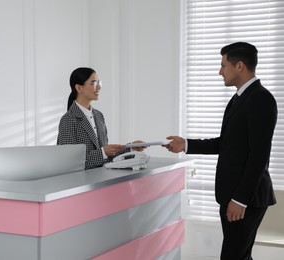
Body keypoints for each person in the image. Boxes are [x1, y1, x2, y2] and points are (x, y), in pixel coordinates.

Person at [164, 42, 277, 260]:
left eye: (223, 65)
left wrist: (240, 199)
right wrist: (186, 144)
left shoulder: (261, 99)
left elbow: (259, 155)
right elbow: (227, 143)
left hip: (246, 199)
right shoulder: (239, 99)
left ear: (240, 66)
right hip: (234, 195)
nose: (220, 71)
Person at [57, 67, 144, 169]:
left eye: (99, 82)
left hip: (102, 179)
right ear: (79, 88)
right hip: (82, 182)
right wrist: (103, 152)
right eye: (93, 83)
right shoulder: (68, 120)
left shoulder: (99, 116)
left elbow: (107, 157)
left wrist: (130, 148)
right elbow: (69, 163)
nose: (99, 87)